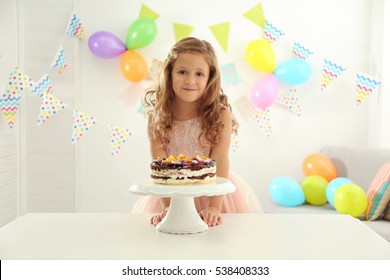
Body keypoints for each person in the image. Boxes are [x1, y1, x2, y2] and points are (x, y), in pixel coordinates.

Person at [132, 37, 263, 227]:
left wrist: (214, 207)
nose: (190, 80)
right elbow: (159, 164)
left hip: (212, 191)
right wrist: (168, 206)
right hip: (171, 193)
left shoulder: (219, 114)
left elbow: (220, 159)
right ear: (169, 74)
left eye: (199, 74)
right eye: (182, 71)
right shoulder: (157, 116)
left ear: (210, 77)